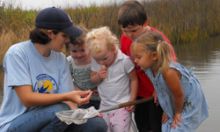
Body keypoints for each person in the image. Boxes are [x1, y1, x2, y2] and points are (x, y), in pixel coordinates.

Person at [0, 7, 107, 132]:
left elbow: (69, 102)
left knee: (97, 124)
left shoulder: (61, 59)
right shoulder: (17, 54)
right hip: (16, 123)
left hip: (54, 118)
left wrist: (85, 114)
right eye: (64, 36)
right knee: (60, 110)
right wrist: (68, 96)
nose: (67, 41)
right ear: (50, 34)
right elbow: (27, 99)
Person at [131, 31, 208, 132]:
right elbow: (161, 88)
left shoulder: (168, 72)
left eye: (139, 57)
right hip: (175, 97)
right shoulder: (147, 68)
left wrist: (177, 113)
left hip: (187, 100)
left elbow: (179, 95)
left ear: (154, 56)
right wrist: (167, 109)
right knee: (166, 127)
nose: (135, 61)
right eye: (134, 57)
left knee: (177, 127)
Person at [117, 1, 176, 131]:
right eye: (125, 31)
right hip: (139, 92)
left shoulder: (159, 41)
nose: (130, 35)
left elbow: (172, 69)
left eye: (134, 30)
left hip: (157, 95)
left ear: (145, 23)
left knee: (157, 127)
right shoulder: (125, 38)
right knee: (142, 126)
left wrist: (161, 89)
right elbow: (123, 63)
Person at [86, 26, 138, 132]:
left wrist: (132, 100)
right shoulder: (96, 61)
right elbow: (93, 80)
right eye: (97, 60)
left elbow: (134, 80)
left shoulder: (124, 61)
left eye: (105, 58)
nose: (102, 63)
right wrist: (98, 77)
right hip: (104, 105)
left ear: (113, 49)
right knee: (105, 129)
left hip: (122, 105)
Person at [67, 26, 100, 109]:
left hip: (102, 97)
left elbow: (106, 75)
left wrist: (102, 88)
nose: (79, 54)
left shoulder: (96, 58)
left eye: (82, 50)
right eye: (74, 51)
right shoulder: (69, 62)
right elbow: (68, 81)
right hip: (83, 99)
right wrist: (79, 91)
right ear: (68, 50)